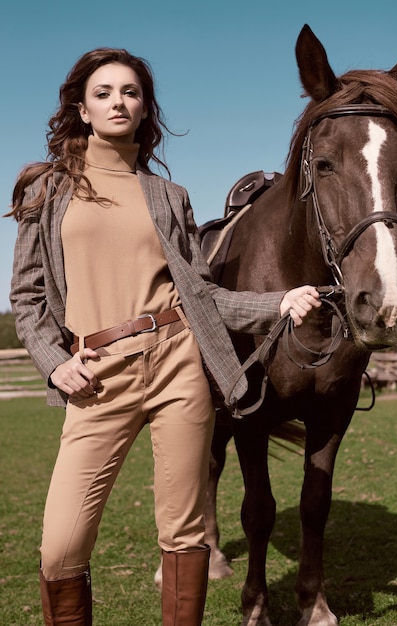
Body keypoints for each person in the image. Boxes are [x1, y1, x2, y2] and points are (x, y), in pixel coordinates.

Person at [8, 48, 321, 626]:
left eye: (130, 92)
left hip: (178, 364)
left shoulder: (167, 197)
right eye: (103, 93)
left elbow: (203, 296)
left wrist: (278, 301)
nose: (117, 101)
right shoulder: (46, 190)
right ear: (81, 108)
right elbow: (26, 300)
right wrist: (54, 362)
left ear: (145, 106)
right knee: (60, 547)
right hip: (97, 374)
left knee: (184, 534)